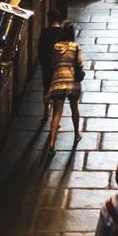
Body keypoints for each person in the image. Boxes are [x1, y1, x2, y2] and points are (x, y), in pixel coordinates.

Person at [46, 20, 83, 154]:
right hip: (72, 82)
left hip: (58, 82)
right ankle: (76, 134)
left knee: (57, 113)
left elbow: (53, 63)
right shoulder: (75, 47)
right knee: (74, 109)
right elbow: (79, 65)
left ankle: (51, 143)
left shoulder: (56, 47)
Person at [37, 9, 61, 115]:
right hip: (58, 65)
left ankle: (46, 109)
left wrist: (43, 63)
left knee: (46, 87)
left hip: (47, 65)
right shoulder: (62, 32)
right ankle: (56, 115)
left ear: (49, 19)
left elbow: (40, 50)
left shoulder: (45, 33)